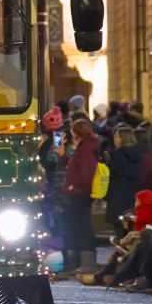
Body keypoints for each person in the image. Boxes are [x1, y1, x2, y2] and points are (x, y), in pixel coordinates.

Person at [61, 118, 100, 274]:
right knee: (81, 226)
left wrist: (73, 186)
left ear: (77, 134)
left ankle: (85, 264)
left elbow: (84, 173)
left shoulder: (86, 149)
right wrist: (63, 156)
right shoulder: (87, 146)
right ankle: (83, 263)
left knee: (81, 227)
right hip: (80, 193)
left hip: (80, 194)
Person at [106, 126, 143, 236]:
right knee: (130, 228)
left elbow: (110, 172)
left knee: (120, 230)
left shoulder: (117, 156)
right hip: (131, 197)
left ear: (122, 139)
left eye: (116, 136)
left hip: (117, 197)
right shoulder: (137, 155)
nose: (114, 138)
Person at [38, 106, 68, 239]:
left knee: (57, 216)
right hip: (57, 180)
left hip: (56, 181)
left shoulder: (56, 138)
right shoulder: (59, 136)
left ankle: (59, 243)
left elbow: (54, 159)